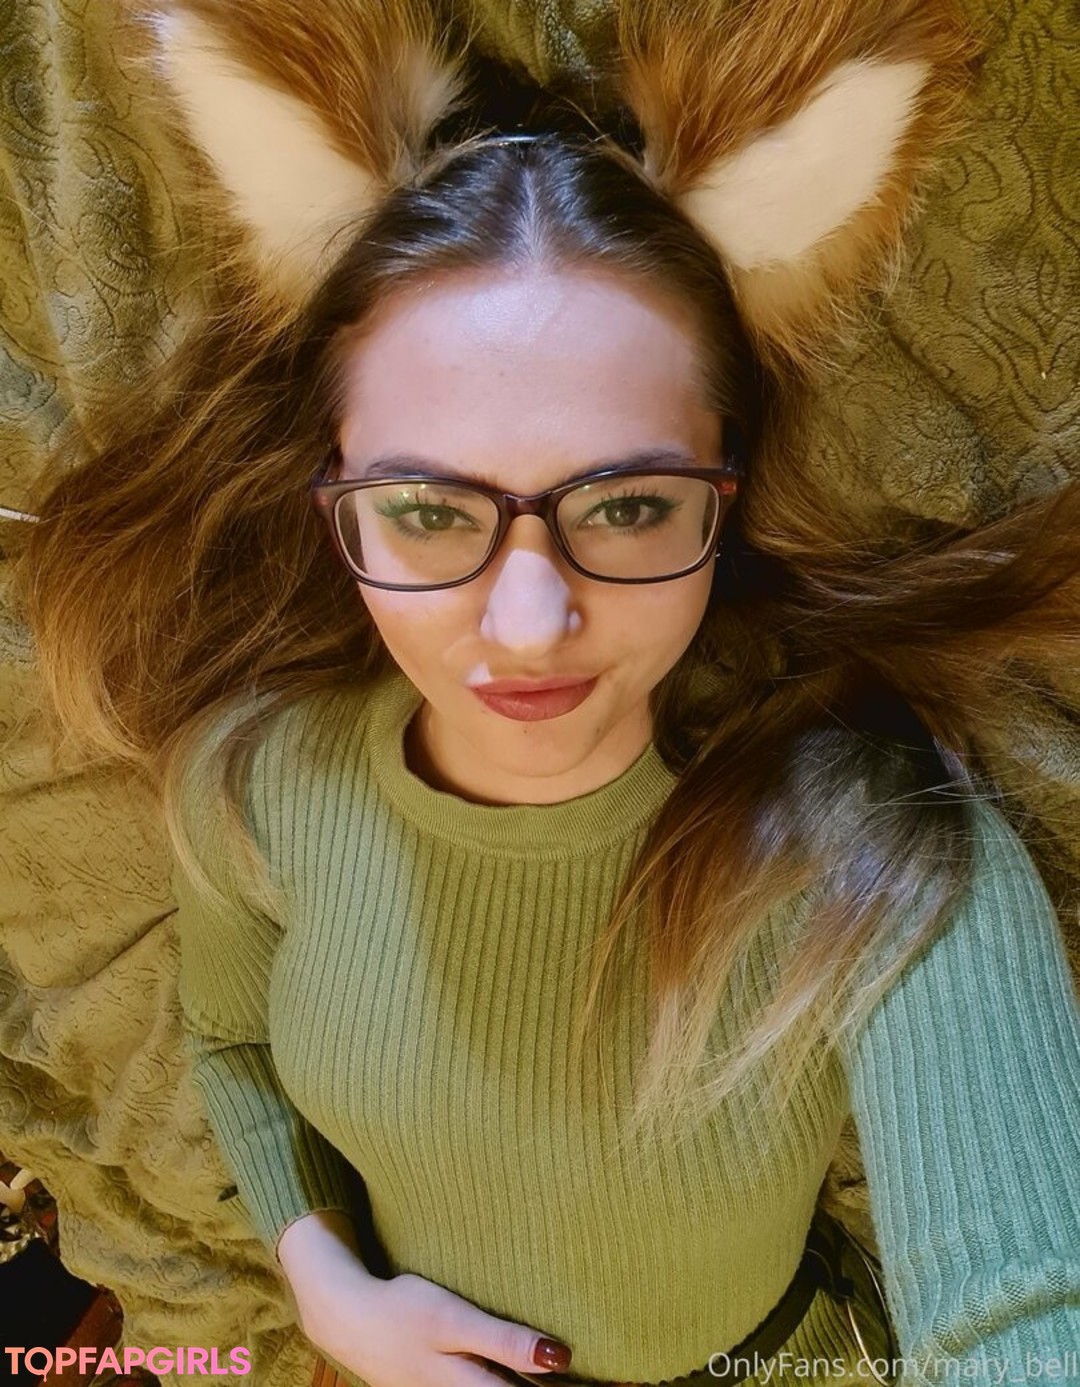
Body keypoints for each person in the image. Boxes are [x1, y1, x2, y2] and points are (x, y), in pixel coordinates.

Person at [15, 5, 1080, 1386]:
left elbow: (1028, 1309)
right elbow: (229, 1038)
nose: (528, 624)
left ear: (726, 498)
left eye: (628, 505)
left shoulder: (882, 853)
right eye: (427, 511)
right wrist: (326, 1286)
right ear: (335, 501)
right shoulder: (254, 779)